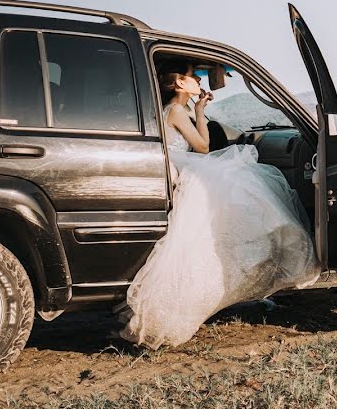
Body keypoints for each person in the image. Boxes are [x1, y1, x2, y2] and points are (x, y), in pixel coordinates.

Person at [115, 67, 321, 349]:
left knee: (240, 180)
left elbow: (205, 144)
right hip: (182, 166)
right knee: (246, 180)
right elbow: (201, 148)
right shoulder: (174, 110)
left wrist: (199, 108)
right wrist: (198, 112)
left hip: (187, 163)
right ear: (179, 83)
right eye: (194, 78)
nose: (199, 81)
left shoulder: (180, 109)